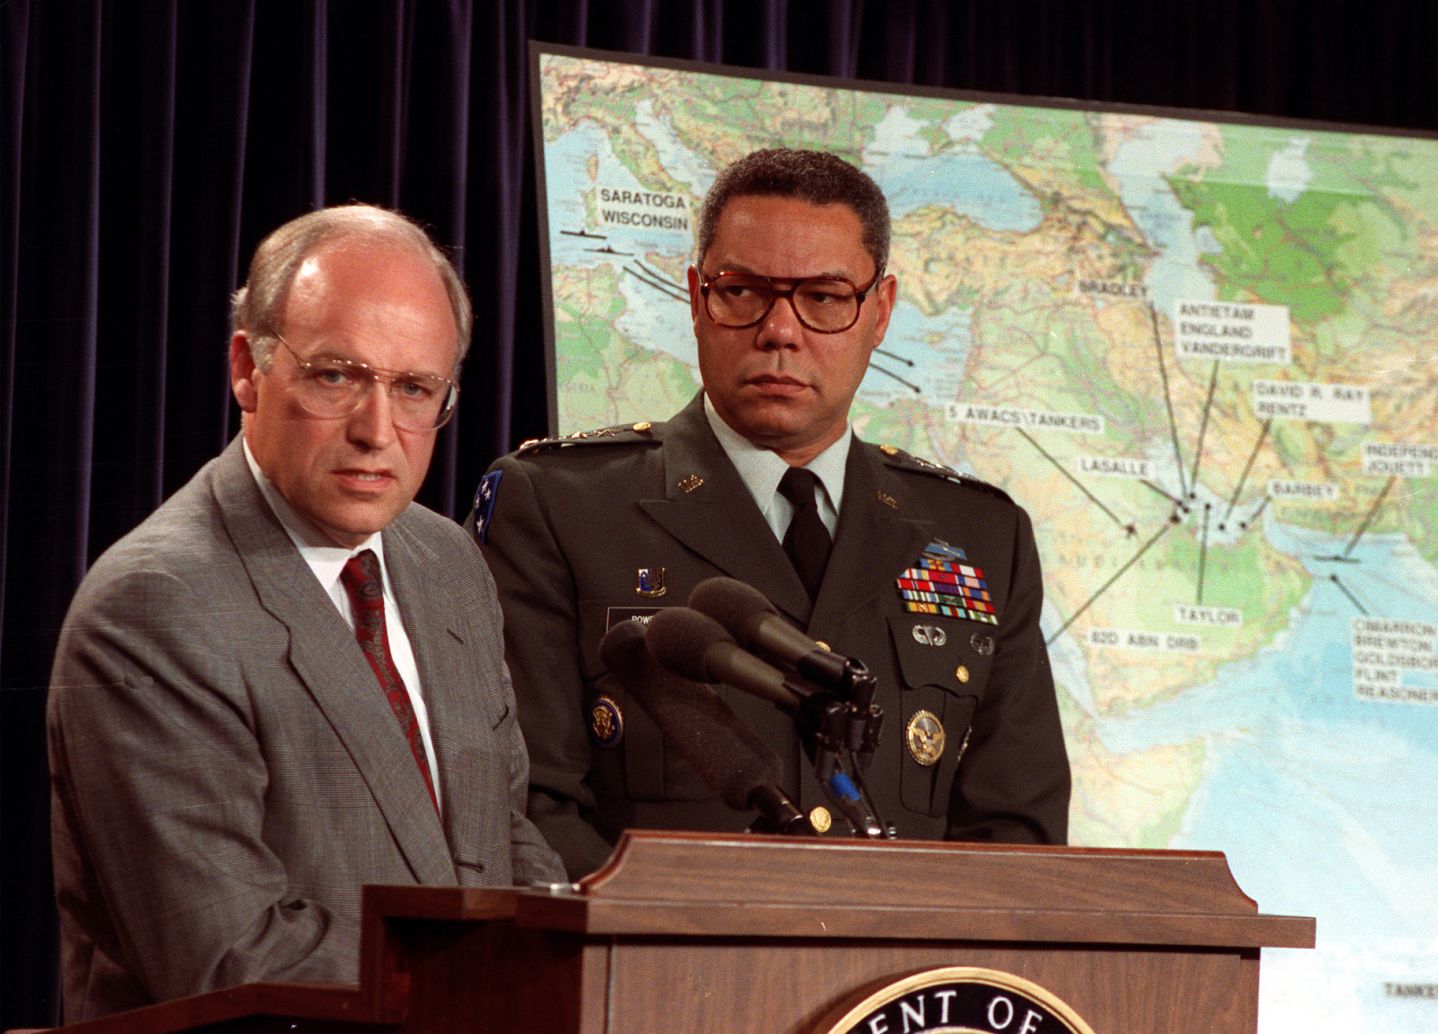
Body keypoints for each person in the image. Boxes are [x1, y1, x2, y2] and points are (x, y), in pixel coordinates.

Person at [470, 149, 1071, 879]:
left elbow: (1016, 834)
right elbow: (527, 807)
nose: (780, 331)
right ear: (695, 298)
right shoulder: (560, 506)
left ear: (879, 312)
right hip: (650, 976)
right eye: (743, 290)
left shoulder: (982, 536)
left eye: (823, 297)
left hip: (902, 985)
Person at [47, 205, 566, 1022]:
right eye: (337, 375)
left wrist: (580, 953)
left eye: (413, 389)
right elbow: (228, 955)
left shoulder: (447, 561)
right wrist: (498, 984)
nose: (377, 430)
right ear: (247, 369)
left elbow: (503, 833)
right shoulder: (156, 606)